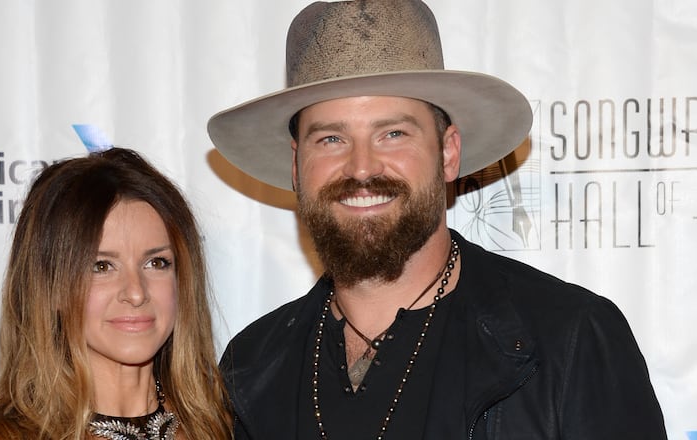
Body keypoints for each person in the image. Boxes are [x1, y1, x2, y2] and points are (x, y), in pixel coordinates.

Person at [207, 0, 667, 438]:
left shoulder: (570, 343)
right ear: (295, 165)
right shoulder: (250, 370)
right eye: (330, 139)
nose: (362, 167)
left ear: (448, 153)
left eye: (392, 133)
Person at [0, 147, 232, 439]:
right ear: (51, 287)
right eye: (102, 266)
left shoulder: (217, 428)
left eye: (156, 263)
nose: (135, 292)